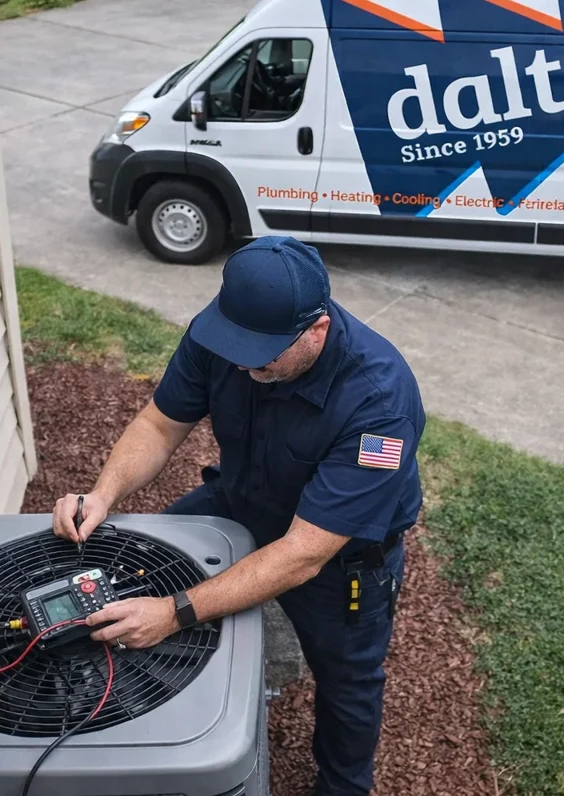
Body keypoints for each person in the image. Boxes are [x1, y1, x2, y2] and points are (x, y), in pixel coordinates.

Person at [52, 235, 426, 796]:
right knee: (141, 569)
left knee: (347, 683)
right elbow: (159, 425)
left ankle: (344, 785)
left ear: (316, 331)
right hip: (239, 502)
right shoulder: (226, 332)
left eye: (263, 356)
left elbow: (303, 554)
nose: (246, 367)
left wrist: (176, 613)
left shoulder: (379, 403)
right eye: (236, 348)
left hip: (339, 557)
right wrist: (104, 494)